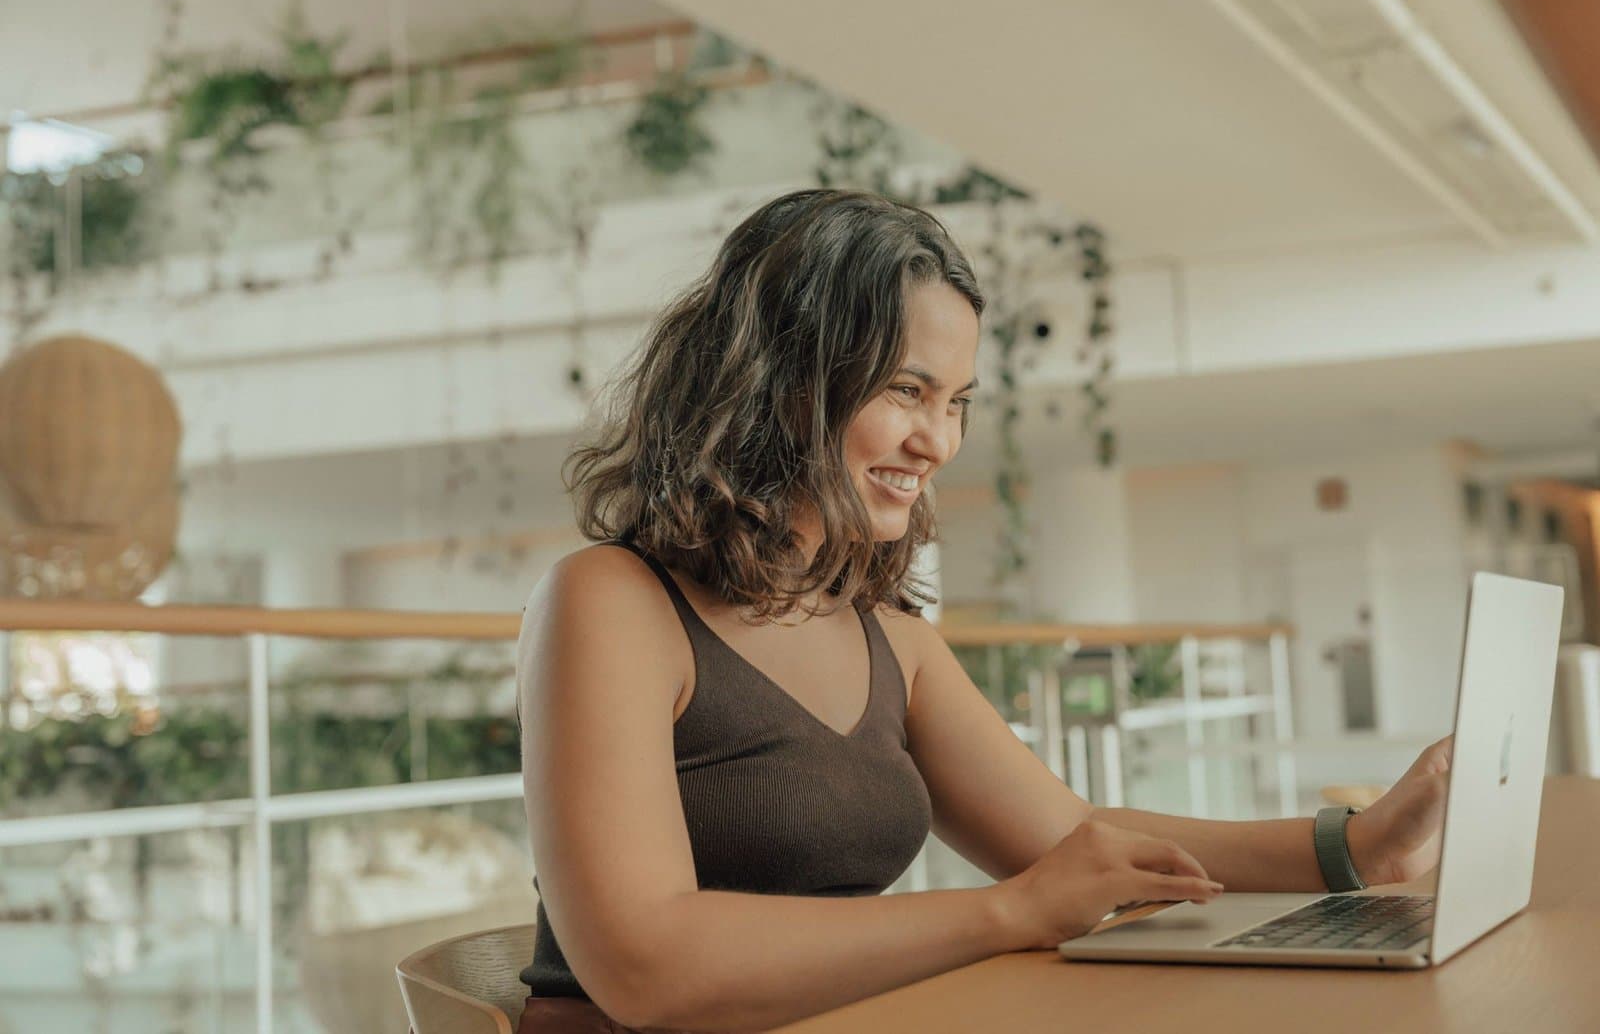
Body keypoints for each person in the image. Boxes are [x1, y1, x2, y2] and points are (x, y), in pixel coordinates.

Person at [515, 189, 1451, 1033]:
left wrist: (1358, 849)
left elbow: (1073, 838)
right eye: (906, 391)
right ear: (785, 384)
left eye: (956, 402)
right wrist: (1010, 911)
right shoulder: (610, 604)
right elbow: (648, 967)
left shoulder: (886, 634)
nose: (939, 441)